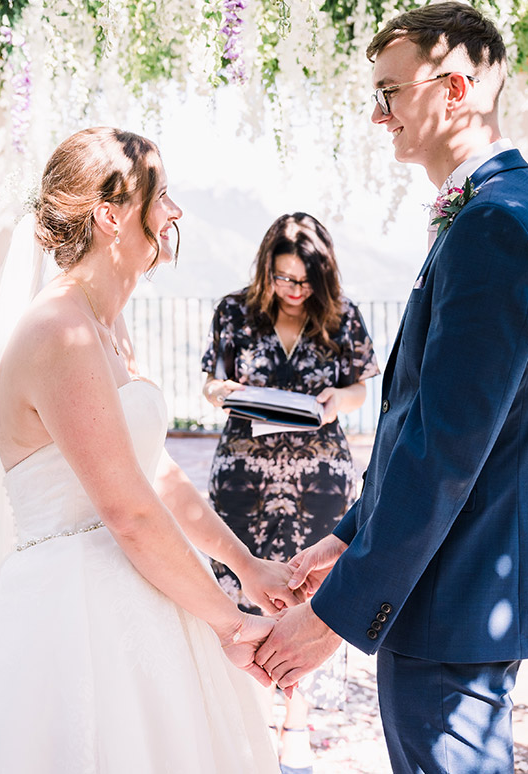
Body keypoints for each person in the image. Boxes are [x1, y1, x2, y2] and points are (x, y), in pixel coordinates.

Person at [0, 127, 299, 773]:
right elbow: (129, 513)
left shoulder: (107, 325)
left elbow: (155, 473)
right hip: (77, 620)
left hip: (141, 597)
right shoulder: (60, 331)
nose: (175, 212)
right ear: (111, 216)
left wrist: (246, 565)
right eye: (160, 194)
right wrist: (231, 623)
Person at [255, 2, 528, 774]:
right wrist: (347, 536)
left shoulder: (496, 227)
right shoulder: (502, 213)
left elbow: (446, 447)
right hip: (458, 586)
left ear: (456, 89)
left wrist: (332, 620)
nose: (379, 117)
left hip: (454, 595)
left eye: (390, 92)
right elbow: (437, 423)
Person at [200, 212, 380, 773]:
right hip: (244, 476)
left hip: (318, 475)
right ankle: (246, 708)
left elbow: (359, 388)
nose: (293, 290)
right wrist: (222, 392)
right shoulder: (233, 311)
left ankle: (296, 713)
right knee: (240, 587)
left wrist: (335, 400)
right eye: (282, 278)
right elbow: (210, 381)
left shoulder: (342, 315)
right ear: (266, 271)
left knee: (308, 590)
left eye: (303, 281)